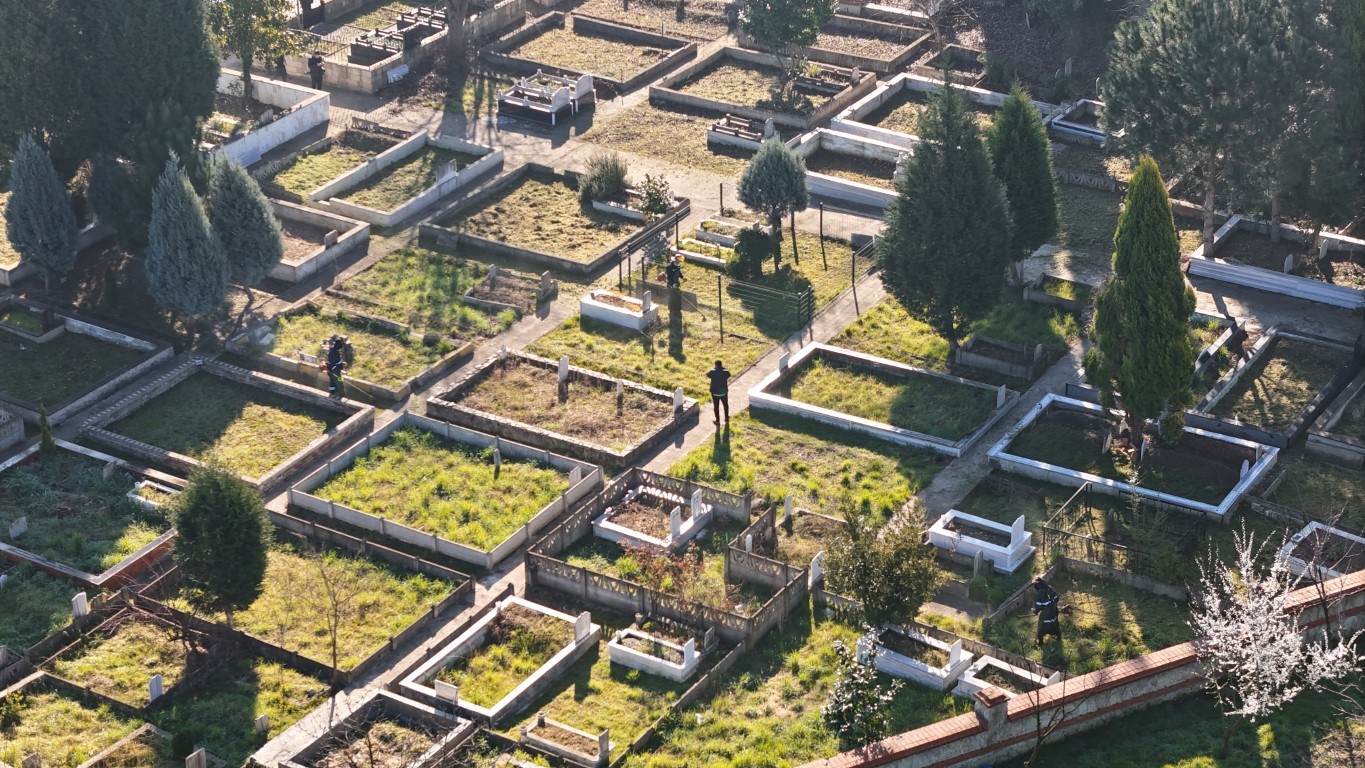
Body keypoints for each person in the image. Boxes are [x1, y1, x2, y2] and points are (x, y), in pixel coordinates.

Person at [707, 360, 731, 426]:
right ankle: (726, 417)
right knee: (725, 404)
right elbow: (729, 374)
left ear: (715, 365)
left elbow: (708, 375)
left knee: (716, 406)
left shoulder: (712, 371)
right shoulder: (725, 371)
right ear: (721, 365)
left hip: (715, 392)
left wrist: (714, 369)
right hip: (723, 392)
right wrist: (723, 368)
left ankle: (717, 421)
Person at [325, 334, 348, 399]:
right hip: (335, 371)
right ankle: (340, 395)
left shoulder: (332, 350)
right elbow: (336, 362)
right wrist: (341, 366)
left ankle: (332, 393)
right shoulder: (335, 352)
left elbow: (333, 361)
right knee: (339, 382)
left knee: (332, 382)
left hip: (330, 370)